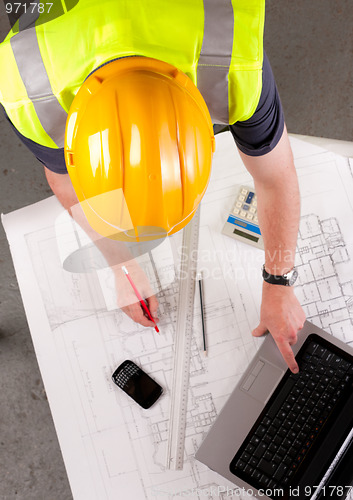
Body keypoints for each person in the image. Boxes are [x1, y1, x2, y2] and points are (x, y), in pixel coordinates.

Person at [0, 0, 305, 372]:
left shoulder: (233, 53)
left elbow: (275, 177)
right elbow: (65, 182)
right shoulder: (29, 87)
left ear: (209, 138)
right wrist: (123, 267)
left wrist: (279, 283)